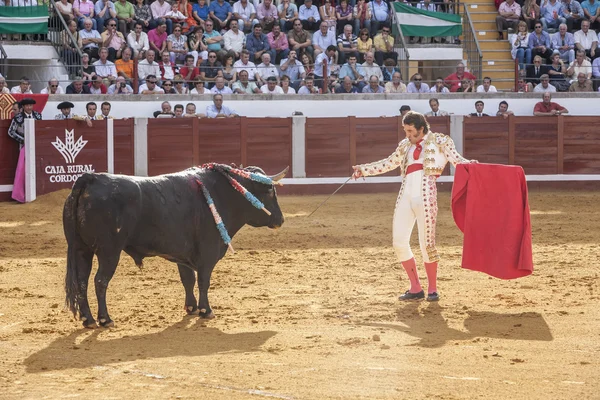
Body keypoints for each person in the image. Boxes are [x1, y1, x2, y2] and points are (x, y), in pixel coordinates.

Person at [351, 111, 476, 301]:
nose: (407, 135)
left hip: (426, 195)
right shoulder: (404, 146)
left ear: (421, 129)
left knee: (427, 244)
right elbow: (388, 163)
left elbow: (458, 161)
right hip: (405, 195)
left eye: (410, 131)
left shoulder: (441, 141)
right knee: (399, 242)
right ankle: (415, 287)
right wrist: (363, 170)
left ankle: (433, 288)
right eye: (405, 131)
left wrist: (472, 165)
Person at [7, 98, 42, 204]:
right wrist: (23, 140)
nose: (29, 107)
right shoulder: (18, 118)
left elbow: (41, 129)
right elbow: (11, 132)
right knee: (23, 169)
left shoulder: (38, 116)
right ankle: (20, 194)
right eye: (27, 106)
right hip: (23, 147)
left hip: (37, 146)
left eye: (30, 105)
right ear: (23, 107)